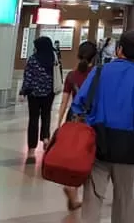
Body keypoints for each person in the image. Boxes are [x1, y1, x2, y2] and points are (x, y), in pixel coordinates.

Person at [72, 30, 134, 223]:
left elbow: (78, 106)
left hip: (96, 144)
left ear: (119, 50)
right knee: (124, 200)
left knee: (92, 200)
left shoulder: (99, 72)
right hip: (128, 148)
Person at [55, 40, 98, 211]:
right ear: (94, 57)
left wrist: (58, 124)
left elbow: (64, 102)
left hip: (73, 118)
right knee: (87, 157)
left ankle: (70, 187)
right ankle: (78, 190)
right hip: (91, 120)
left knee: (73, 155)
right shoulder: (97, 75)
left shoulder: (71, 76)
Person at [20, 35, 56, 160]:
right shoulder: (53, 59)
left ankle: (31, 149)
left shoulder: (33, 59)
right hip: (49, 93)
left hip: (34, 94)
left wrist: (23, 92)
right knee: (46, 116)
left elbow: (28, 77)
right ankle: (45, 138)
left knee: (33, 119)